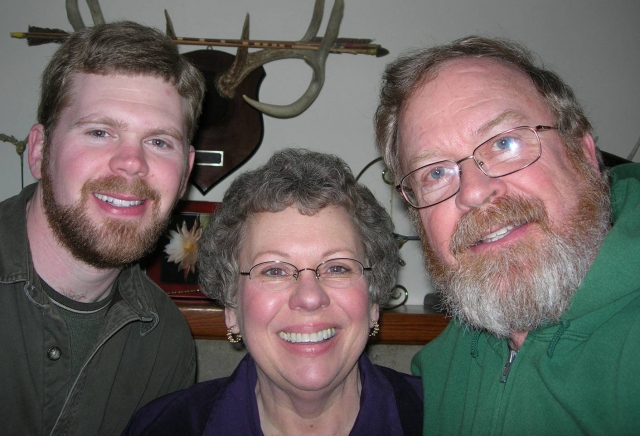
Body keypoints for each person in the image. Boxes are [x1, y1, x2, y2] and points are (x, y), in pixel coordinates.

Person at [374, 35, 640, 435]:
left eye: (504, 142)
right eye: (436, 173)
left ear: (583, 154)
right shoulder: (442, 366)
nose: (474, 192)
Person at [123, 148, 423, 435]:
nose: (309, 297)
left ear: (372, 302)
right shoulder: (162, 427)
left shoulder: (442, 417)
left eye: (337, 268)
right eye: (274, 271)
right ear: (232, 309)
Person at [0, 21, 206, 435]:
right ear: (39, 151)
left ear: (184, 174)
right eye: (99, 131)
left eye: (160, 141)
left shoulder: (166, 342)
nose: (132, 162)